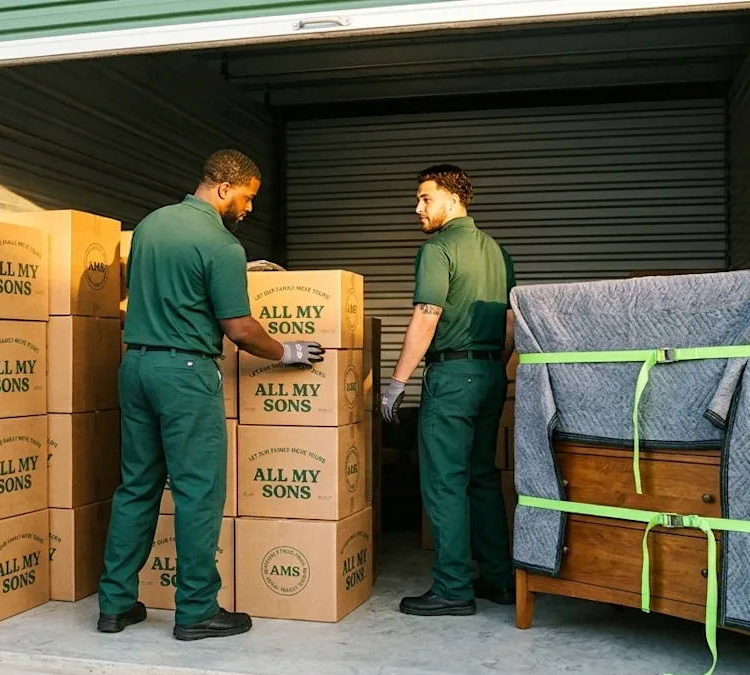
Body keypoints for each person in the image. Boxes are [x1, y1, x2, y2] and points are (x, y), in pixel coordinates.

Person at [98, 149, 324, 640]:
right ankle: (197, 610)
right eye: (246, 198)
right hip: (185, 373)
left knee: (136, 486)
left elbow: (164, 285)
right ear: (225, 188)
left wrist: (236, 269)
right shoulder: (222, 246)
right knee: (197, 493)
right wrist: (286, 351)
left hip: (136, 365)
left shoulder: (151, 226)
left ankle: (115, 605)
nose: (248, 209)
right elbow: (240, 329)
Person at [380, 164, 516, 616]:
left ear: (453, 200)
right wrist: (495, 365)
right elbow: (512, 321)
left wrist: (397, 381)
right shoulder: (497, 251)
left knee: (444, 481)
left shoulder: (437, 248)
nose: (416, 207)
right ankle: (498, 579)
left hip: (453, 377)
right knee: (481, 477)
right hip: (491, 373)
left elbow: (426, 314)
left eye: (425, 198)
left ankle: (453, 588)